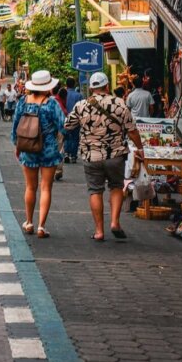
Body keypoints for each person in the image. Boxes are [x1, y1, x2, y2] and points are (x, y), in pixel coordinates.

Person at [64, 71, 145, 242]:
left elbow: (68, 125)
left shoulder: (81, 105)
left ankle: (99, 231)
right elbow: (132, 130)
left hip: (91, 156)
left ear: (92, 88)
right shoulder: (119, 103)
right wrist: (140, 148)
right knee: (116, 187)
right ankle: (115, 222)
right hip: (115, 155)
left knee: (95, 191)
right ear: (107, 86)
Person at [12, 70, 66, 239]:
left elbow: (16, 125)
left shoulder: (23, 101)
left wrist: (17, 144)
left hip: (28, 148)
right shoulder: (51, 104)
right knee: (45, 187)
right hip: (49, 149)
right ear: (48, 87)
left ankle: (28, 222)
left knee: (30, 187)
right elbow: (63, 125)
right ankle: (42, 226)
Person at [63, 77, 83, 163]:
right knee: (75, 138)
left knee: (66, 137)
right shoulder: (79, 95)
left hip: (65, 118)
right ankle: (73, 155)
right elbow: (82, 108)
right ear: (74, 84)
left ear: (66, 84)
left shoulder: (63, 94)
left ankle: (66, 153)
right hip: (76, 119)